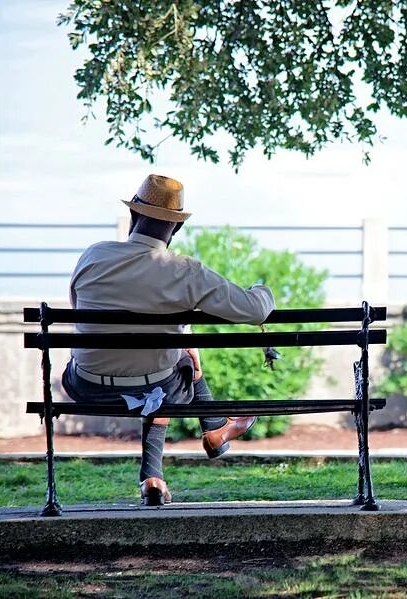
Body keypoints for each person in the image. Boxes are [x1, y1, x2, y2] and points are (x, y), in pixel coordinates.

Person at [61, 174, 275, 506]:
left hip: (86, 386)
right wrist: (263, 289)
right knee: (176, 369)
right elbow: (255, 309)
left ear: (133, 216)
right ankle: (215, 429)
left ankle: (153, 477)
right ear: (176, 229)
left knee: (166, 368)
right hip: (156, 386)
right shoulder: (185, 272)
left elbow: (79, 311)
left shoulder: (94, 256)